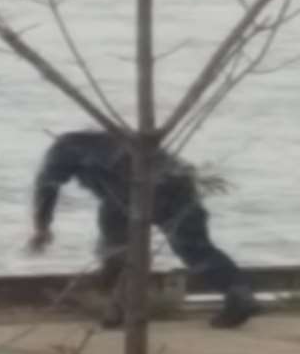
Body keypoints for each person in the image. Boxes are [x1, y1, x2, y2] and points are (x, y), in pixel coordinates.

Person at [28, 130, 259, 328]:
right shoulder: (110, 139)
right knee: (195, 248)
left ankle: (119, 310)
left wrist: (42, 226)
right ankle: (239, 293)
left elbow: (47, 184)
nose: (78, 183)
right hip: (177, 182)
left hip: (129, 189)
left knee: (117, 250)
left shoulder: (63, 149)